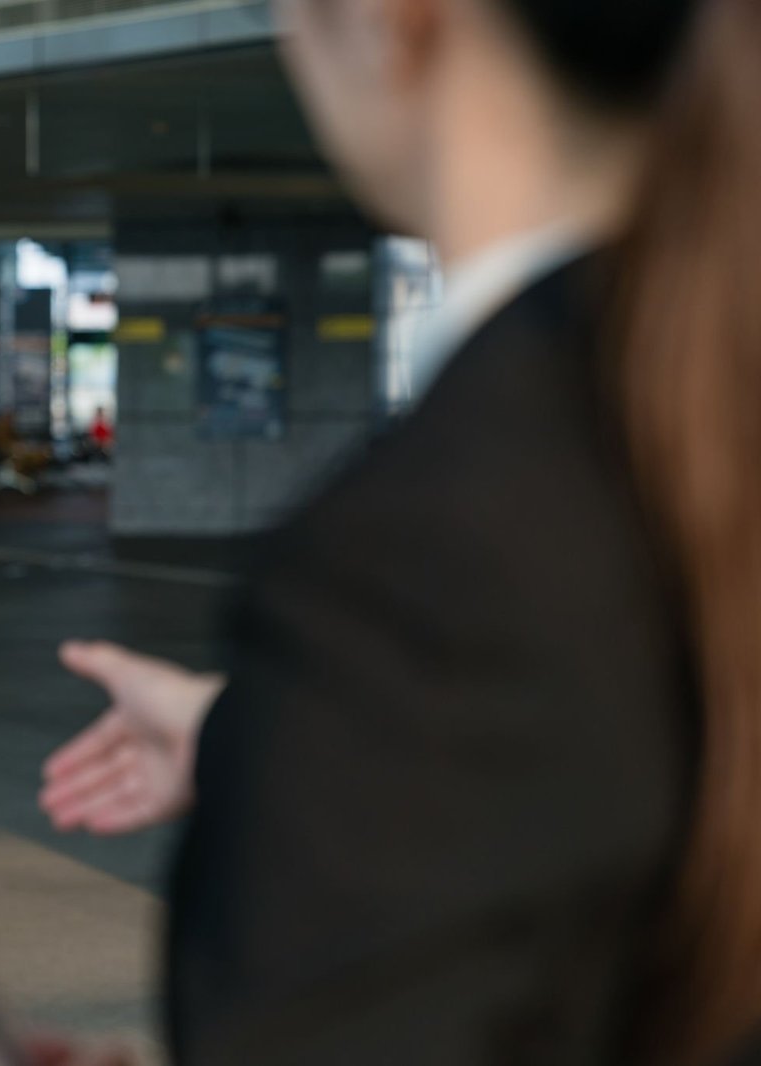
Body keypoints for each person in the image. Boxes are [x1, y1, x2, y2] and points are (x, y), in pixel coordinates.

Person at [40, 0, 760, 1063]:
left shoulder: (421, 552)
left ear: (394, 19)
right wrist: (257, 730)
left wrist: (353, 711)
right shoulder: (683, 408)